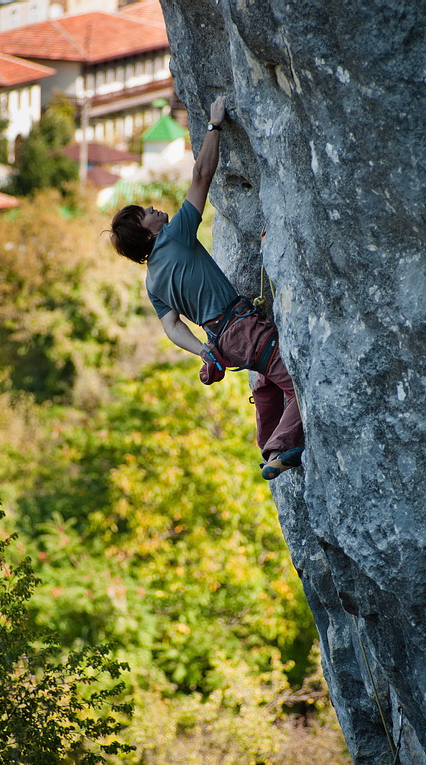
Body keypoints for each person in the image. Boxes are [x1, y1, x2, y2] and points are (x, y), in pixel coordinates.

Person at [109, 95, 304, 480]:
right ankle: (280, 451)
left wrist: (205, 352)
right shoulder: (173, 236)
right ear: (146, 235)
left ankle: (267, 445)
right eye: (145, 214)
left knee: (267, 385)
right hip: (242, 328)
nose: (152, 209)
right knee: (298, 381)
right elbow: (201, 175)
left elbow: (172, 327)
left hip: (222, 340)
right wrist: (214, 125)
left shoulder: (152, 281)